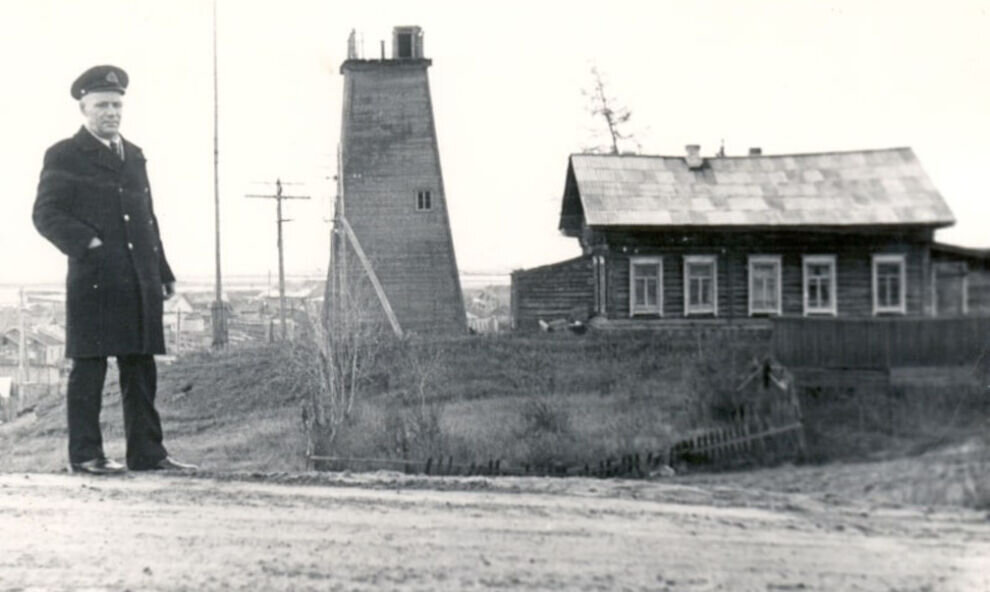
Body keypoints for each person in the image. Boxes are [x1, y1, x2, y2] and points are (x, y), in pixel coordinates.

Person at [33, 65, 196, 475]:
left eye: (117, 105)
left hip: (139, 278)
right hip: (94, 279)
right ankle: (87, 455)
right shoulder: (64, 154)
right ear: (84, 108)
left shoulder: (134, 155)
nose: (111, 112)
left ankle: (148, 454)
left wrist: (163, 271)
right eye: (102, 105)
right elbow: (46, 214)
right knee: (90, 366)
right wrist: (89, 244)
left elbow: (147, 218)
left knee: (140, 365)